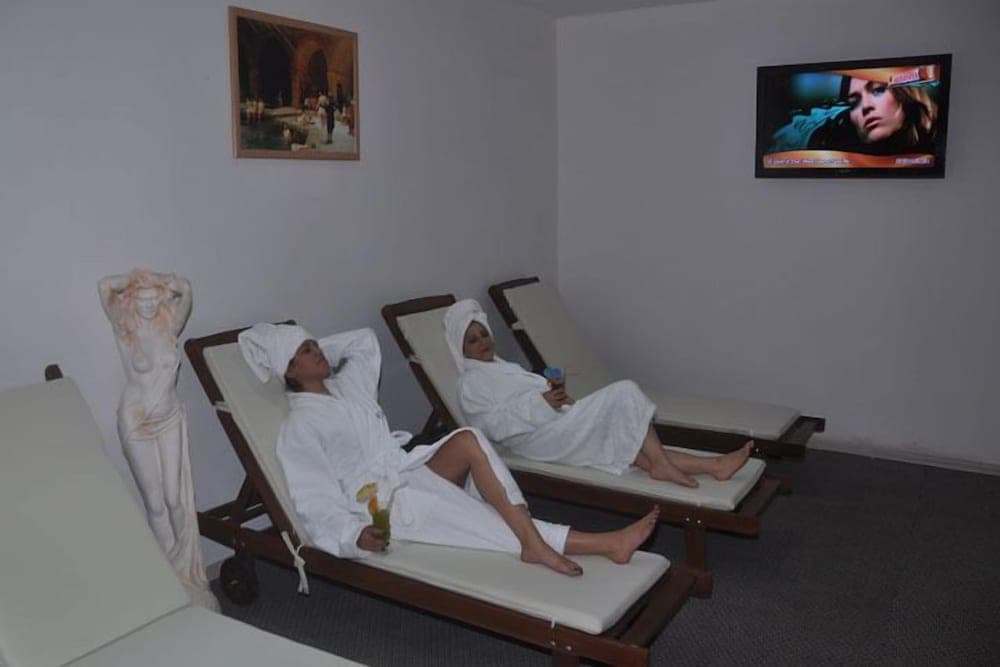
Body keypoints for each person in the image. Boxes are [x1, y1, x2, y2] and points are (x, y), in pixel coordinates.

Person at [238, 323, 660, 577]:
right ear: (289, 370)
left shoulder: (347, 387)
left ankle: (537, 541)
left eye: (314, 345)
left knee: (468, 439)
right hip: (380, 502)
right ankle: (599, 543)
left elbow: (364, 342)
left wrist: (315, 351)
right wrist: (353, 537)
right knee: (482, 523)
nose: (317, 352)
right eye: (305, 352)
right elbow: (314, 499)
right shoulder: (299, 427)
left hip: (406, 467)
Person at [445, 300, 752, 488]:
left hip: (552, 423)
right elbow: (490, 427)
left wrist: (558, 400)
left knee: (628, 441)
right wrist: (540, 404)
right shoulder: (470, 384)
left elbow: (531, 400)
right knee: (625, 391)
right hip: (535, 440)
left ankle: (715, 466)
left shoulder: (502, 367)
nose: (483, 342)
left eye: (484, 334)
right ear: (462, 348)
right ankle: (662, 463)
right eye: (473, 340)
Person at [98, 269, 216, 609]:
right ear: (132, 301)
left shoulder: (170, 327)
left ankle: (188, 572)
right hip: (136, 421)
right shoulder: (125, 329)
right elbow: (105, 286)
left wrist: (160, 281)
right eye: (142, 299)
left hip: (169, 417)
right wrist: (137, 280)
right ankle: (170, 575)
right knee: (154, 502)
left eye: (154, 299)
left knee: (175, 498)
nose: (149, 305)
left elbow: (186, 289)